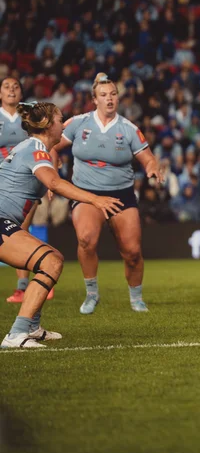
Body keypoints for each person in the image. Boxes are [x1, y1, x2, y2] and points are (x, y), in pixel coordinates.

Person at [0, 102, 122, 348]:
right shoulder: (35, 149)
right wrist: (95, 199)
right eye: (60, 119)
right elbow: (54, 183)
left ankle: (31, 327)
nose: (64, 124)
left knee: (51, 258)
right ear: (47, 125)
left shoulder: (31, 148)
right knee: (51, 262)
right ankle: (16, 335)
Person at [50, 73, 163, 315]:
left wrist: (152, 169)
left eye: (113, 94)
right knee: (86, 240)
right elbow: (51, 144)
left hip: (121, 195)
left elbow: (148, 157)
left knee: (132, 252)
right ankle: (92, 293)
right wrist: (53, 171)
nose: (109, 99)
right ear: (94, 100)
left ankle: (136, 298)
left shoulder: (129, 129)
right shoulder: (78, 123)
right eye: (104, 95)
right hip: (86, 193)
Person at [1, 78, 56, 303]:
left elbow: (47, 141)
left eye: (16, 87)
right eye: (6, 87)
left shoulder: (30, 112)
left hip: (28, 178)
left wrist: (51, 177)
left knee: (22, 229)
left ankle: (25, 285)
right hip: (4, 180)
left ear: (22, 92)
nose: (12, 90)